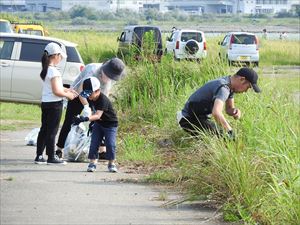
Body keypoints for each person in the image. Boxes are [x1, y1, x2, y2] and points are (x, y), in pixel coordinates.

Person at [55, 58, 125, 159]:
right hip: (77, 94)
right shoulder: (92, 71)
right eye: (109, 76)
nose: (110, 79)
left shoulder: (110, 78)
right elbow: (81, 92)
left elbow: (105, 95)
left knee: (100, 121)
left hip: (95, 95)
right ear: (104, 71)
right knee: (70, 121)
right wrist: (87, 107)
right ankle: (59, 149)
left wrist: (99, 109)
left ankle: (102, 151)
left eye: (112, 78)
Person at [177, 67, 261, 138]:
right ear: (242, 79)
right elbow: (216, 113)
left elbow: (229, 109)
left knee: (222, 133)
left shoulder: (229, 85)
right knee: (223, 136)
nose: (246, 91)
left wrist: (235, 111)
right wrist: (230, 131)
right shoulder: (224, 88)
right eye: (248, 87)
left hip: (198, 117)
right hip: (187, 119)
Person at [34, 42, 78, 165]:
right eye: (60, 56)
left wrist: (67, 89)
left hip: (46, 103)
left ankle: (39, 156)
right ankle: (51, 157)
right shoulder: (55, 72)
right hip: (54, 105)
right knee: (52, 131)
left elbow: (54, 87)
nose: (61, 59)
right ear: (56, 56)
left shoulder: (46, 69)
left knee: (44, 129)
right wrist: (68, 95)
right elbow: (56, 91)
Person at [73, 77, 119, 173]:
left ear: (98, 90)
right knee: (94, 143)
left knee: (110, 144)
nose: (89, 97)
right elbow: (81, 97)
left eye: (90, 94)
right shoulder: (90, 97)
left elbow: (98, 115)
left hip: (110, 124)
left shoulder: (103, 100)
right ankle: (92, 163)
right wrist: (85, 110)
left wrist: (85, 118)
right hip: (98, 123)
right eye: (87, 94)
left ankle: (111, 163)